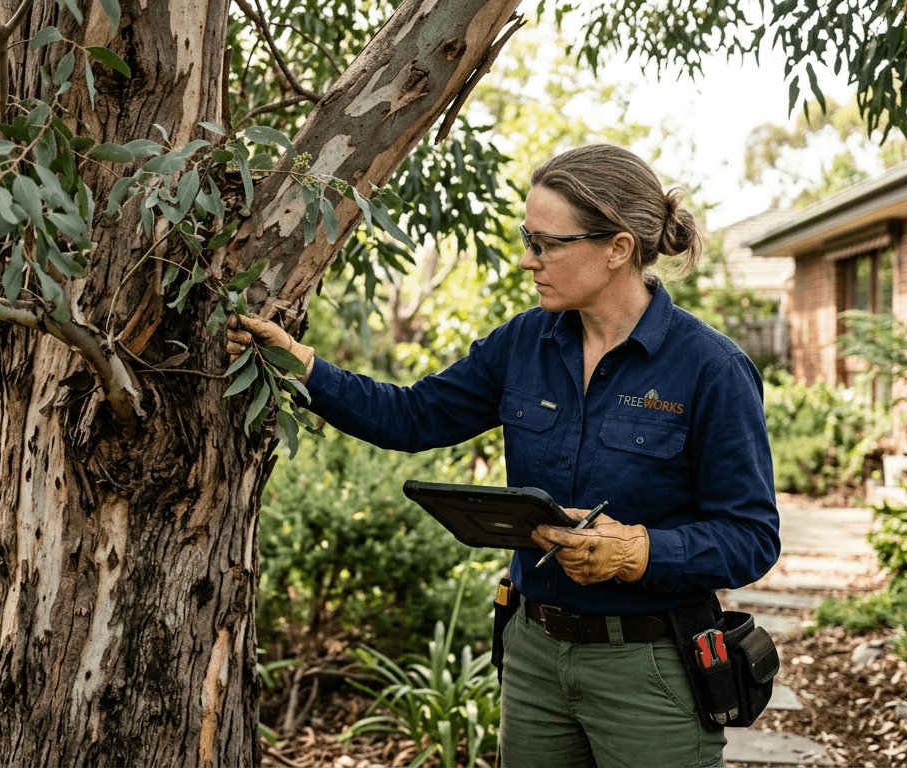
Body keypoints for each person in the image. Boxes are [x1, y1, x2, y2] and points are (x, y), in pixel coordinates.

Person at [228, 144, 780, 768]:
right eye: (528, 239)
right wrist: (301, 364)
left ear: (618, 248)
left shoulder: (712, 369)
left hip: (650, 668)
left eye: (547, 244)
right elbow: (411, 417)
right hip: (533, 656)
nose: (528, 261)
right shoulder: (523, 344)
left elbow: (751, 536)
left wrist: (639, 550)